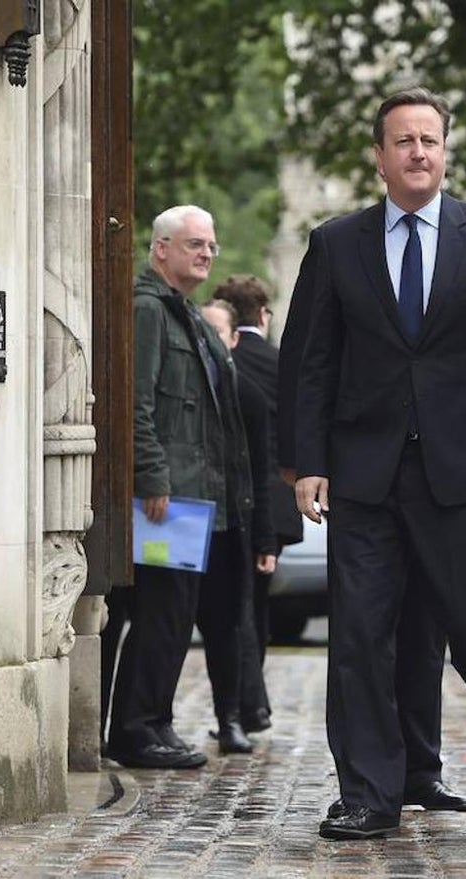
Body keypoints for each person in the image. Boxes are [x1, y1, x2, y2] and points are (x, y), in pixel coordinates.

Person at [292, 86, 466, 841]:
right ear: (380, 157)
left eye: (428, 139)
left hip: (464, 473)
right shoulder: (337, 243)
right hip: (364, 473)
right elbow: (311, 360)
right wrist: (306, 461)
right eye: (402, 140)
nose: (417, 152)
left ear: (445, 151)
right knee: (360, 636)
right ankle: (369, 793)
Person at [107, 204, 255, 769]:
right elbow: (135, 402)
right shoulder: (148, 310)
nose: (207, 253)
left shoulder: (185, 312)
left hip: (197, 495)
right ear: (161, 248)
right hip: (166, 496)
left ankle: (156, 722)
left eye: (211, 245)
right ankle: (136, 730)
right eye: (195, 244)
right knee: (160, 613)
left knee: (174, 615)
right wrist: (151, 476)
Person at [211, 274, 303, 732]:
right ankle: (253, 703)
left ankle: (247, 704)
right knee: (256, 606)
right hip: (277, 500)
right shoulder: (281, 362)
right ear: (263, 315)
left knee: (235, 607)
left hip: (236, 497)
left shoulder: (221, 359)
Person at [198, 299, 279, 752]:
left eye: (217, 331)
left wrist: (265, 539)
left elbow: (260, 473)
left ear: (233, 338)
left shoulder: (247, 394)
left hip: (233, 524)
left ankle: (234, 715)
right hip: (185, 519)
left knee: (231, 624)